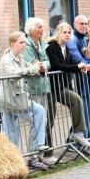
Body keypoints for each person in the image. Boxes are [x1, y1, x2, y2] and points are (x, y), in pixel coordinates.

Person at [0, 31, 48, 169]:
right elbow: (13, 73)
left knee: (38, 112)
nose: (24, 45)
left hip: (19, 99)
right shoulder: (7, 59)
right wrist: (33, 68)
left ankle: (34, 149)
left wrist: (40, 69)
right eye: (21, 42)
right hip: (10, 100)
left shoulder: (20, 58)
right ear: (13, 43)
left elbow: (28, 69)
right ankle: (13, 161)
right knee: (11, 133)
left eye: (25, 42)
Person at [45, 22, 90, 148]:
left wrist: (81, 68)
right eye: (64, 32)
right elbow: (56, 66)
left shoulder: (67, 48)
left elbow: (70, 65)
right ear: (58, 33)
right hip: (49, 88)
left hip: (60, 87)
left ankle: (77, 132)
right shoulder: (51, 47)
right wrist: (76, 66)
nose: (67, 34)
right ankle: (46, 152)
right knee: (49, 119)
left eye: (69, 32)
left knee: (76, 100)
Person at [22, 17, 53, 150]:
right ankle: (32, 153)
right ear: (31, 30)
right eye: (39, 27)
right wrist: (38, 66)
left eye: (42, 27)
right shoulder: (27, 45)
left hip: (43, 86)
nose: (43, 30)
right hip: (33, 87)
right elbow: (30, 63)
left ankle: (37, 153)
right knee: (37, 121)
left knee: (42, 121)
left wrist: (42, 66)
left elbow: (48, 62)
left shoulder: (42, 44)